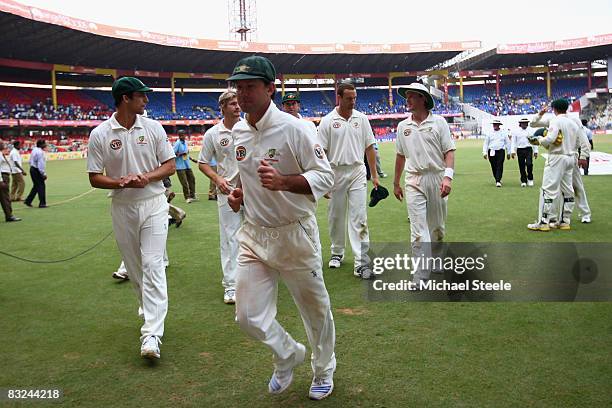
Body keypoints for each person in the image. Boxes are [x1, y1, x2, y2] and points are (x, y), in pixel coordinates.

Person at [226, 56, 336, 400]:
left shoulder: (296, 128)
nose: (243, 94)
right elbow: (248, 178)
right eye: (238, 87)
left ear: (270, 88)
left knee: (314, 309)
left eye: (250, 87)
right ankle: (286, 352)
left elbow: (325, 177)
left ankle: (323, 369)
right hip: (254, 235)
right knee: (246, 316)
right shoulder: (238, 131)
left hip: (294, 234)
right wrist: (240, 195)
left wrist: (285, 181)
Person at [87, 76, 175, 359]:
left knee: (152, 264)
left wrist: (144, 178)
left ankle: (151, 334)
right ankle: (147, 307)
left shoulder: (152, 127)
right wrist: (121, 183)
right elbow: (94, 177)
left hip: (153, 203)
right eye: (142, 96)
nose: (147, 100)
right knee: (136, 270)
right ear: (126, 98)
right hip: (122, 207)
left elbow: (170, 165)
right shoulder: (100, 133)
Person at [393, 83, 455, 285]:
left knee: (437, 227)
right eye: (407, 97)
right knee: (418, 229)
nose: (407, 100)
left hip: (437, 177)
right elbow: (400, 156)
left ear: (423, 99)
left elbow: (449, 151)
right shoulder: (403, 126)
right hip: (414, 179)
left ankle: (437, 258)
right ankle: (420, 274)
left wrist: (447, 177)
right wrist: (396, 183)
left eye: (411, 96)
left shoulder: (439, 123)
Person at [318, 82, 378, 278]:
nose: (352, 102)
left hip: (357, 171)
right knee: (336, 216)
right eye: (348, 98)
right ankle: (337, 252)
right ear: (339, 97)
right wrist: (323, 179)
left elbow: (369, 147)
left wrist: (374, 176)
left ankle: (362, 263)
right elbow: (321, 153)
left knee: (359, 217)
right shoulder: (327, 121)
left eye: (354, 98)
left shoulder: (362, 119)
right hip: (334, 173)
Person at [198, 90, 243, 304]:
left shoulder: (250, 128)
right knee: (230, 238)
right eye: (233, 104)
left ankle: (257, 281)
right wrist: (218, 179)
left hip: (253, 193)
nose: (237, 107)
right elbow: (203, 162)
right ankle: (231, 286)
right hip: (227, 192)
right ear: (223, 107)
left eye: (238, 103)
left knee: (259, 234)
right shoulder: (213, 134)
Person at [527, 99, 585, 231]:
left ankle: (543, 222)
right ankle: (564, 221)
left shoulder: (555, 121)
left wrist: (538, 140)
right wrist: (540, 114)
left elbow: (551, 139)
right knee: (567, 189)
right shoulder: (573, 123)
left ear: (554, 109)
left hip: (557, 157)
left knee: (548, 189)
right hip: (571, 157)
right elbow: (533, 123)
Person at [482, 119, 510, 187]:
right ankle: (497, 178)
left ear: (499, 125)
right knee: (493, 166)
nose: (495, 125)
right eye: (494, 124)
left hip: (501, 151)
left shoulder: (504, 133)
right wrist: (484, 153)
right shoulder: (489, 133)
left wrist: (509, 152)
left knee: (500, 165)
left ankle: (498, 180)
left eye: (496, 124)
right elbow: (486, 143)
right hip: (491, 151)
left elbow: (507, 143)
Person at [511, 118, 538, 187]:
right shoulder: (516, 131)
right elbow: (513, 142)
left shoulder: (530, 131)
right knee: (521, 165)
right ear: (520, 124)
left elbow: (534, 141)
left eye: (526, 123)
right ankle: (523, 180)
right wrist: (513, 151)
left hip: (528, 149)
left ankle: (530, 178)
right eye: (523, 123)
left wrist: (535, 151)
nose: (525, 124)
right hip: (520, 149)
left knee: (529, 164)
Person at [173, 129, 197, 203]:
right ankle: (187, 197)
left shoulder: (185, 142)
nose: (183, 136)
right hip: (180, 167)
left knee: (192, 179)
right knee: (184, 183)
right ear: (179, 136)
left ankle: (193, 195)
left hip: (187, 165)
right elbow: (172, 154)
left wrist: (192, 159)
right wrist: (180, 154)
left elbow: (186, 153)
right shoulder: (177, 143)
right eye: (181, 135)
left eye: (183, 135)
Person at [24, 139, 48, 208]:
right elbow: (41, 164)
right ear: (41, 145)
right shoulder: (40, 152)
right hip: (37, 170)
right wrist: (43, 174)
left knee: (36, 186)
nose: (45, 145)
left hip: (33, 169)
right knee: (41, 186)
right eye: (44, 144)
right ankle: (42, 203)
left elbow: (30, 160)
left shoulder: (34, 150)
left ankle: (28, 201)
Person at [0, 142, 21, 222]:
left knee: (4, 198)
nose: (7, 148)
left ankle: (9, 215)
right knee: (5, 198)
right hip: (3, 177)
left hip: (4, 176)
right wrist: (1, 180)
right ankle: (9, 216)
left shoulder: (2, 155)